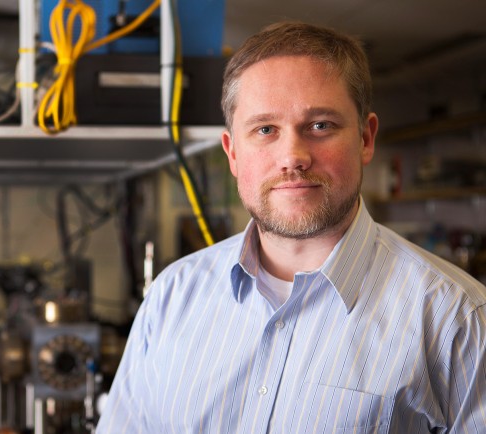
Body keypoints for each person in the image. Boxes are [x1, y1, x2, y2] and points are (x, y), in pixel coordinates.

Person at [96, 21, 486, 433]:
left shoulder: (456, 320)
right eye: (265, 130)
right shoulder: (170, 299)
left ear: (366, 139)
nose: (292, 157)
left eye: (320, 126)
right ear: (232, 153)